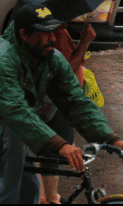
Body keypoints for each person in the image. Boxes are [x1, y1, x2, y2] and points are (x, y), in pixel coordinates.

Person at [0, 3, 123, 204]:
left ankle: (47, 194)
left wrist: (110, 138)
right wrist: (60, 145)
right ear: (24, 34)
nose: (52, 38)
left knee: (31, 187)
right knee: (14, 141)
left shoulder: (52, 58)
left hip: (1, 107)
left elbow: (76, 102)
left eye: (53, 31)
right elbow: (16, 111)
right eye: (44, 32)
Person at [37, 20, 95, 204]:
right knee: (54, 152)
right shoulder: (57, 34)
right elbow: (66, 71)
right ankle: (47, 197)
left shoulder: (59, 31)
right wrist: (85, 43)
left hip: (60, 102)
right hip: (57, 104)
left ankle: (48, 196)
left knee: (49, 154)